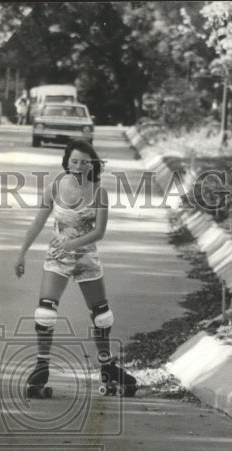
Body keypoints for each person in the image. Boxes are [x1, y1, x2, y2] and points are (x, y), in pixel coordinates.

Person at [13, 139, 137, 398]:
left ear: (92, 165)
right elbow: (38, 222)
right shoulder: (55, 187)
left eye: (84, 162)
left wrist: (73, 244)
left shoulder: (99, 192)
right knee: (45, 313)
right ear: (67, 163)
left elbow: (99, 232)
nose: (79, 166)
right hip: (58, 258)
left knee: (102, 316)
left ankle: (107, 367)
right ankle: (41, 367)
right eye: (74, 161)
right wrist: (22, 253)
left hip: (86, 258)